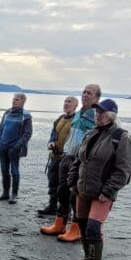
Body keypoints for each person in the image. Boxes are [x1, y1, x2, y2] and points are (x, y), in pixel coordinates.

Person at [65, 99, 131, 260]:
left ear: (112, 115)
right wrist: (72, 181)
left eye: (102, 113)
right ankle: (88, 258)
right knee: (82, 223)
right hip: (83, 189)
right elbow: (79, 160)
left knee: (94, 228)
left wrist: (109, 190)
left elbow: (124, 170)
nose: (98, 116)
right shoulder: (91, 134)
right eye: (96, 113)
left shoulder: (121, 137)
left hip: (103, 192)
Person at [40, 85, 98, 241]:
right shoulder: (78, 115)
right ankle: (60, 223)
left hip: (81, 160)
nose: (85, 95)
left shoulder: (96, 115)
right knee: (62, 191)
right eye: (84, 92)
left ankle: (76, 229)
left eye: (89, 93)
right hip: (67, 156)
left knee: (76, 195)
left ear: (96, 98)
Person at [37, 96, 77, 216]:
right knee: (52, 182)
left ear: (76, 106)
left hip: (67, 158)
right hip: (54, 156)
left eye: (69, 102)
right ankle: (52, 207)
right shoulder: (59, 118)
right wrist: (51, 142)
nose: (66, 103)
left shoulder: (76, 121)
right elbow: (53, 134)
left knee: (64, 186)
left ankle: (65, 211)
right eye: (65, 101)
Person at [0, 93, 32, 203]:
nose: (14, 101)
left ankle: (14, 195)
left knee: (14, 171)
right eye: (13, 99)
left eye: (17, 100)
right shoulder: (7, 113)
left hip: (15, 148)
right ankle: (5, 193)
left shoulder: (26, 116)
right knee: (4, 170)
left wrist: (16, 147)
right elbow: (1, 128)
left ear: (23, 102)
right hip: (3, 146)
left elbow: (27, 134)